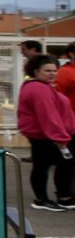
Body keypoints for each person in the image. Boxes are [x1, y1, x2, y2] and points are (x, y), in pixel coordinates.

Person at [16, 55, 75, 212]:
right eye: (47, 71)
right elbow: (48, 115)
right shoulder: (39, 89)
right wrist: (61, 138)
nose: (52, 74)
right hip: (46, 136)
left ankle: (63, 197)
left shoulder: (42, 86)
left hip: (48, 135)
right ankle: (45, 199)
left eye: (55, 70)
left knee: (54, 165)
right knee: (51, 166)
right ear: (36, 71)